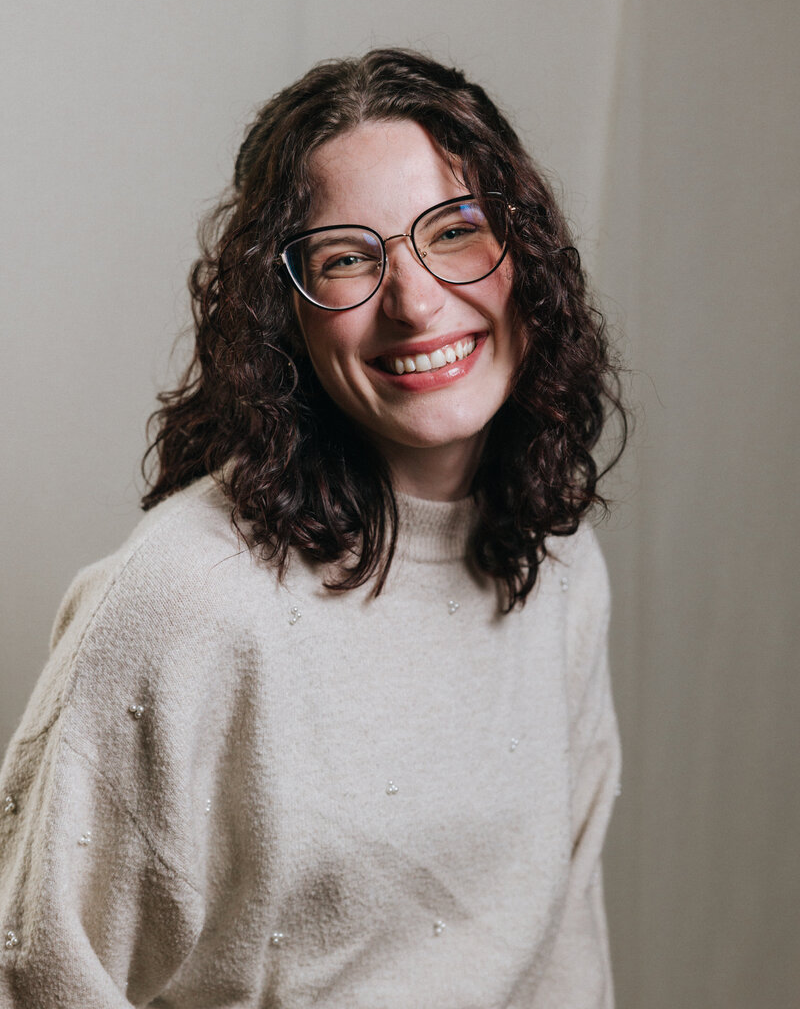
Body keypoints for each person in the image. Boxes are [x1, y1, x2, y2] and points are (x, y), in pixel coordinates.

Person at [0, 48, 627, 1007]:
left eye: (453, 232)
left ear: (525, 256)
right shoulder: (185, 600)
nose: (416, 302)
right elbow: (42, 977)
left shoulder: (562, 563)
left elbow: (566, 949)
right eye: (347, 258)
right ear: (283, 317)